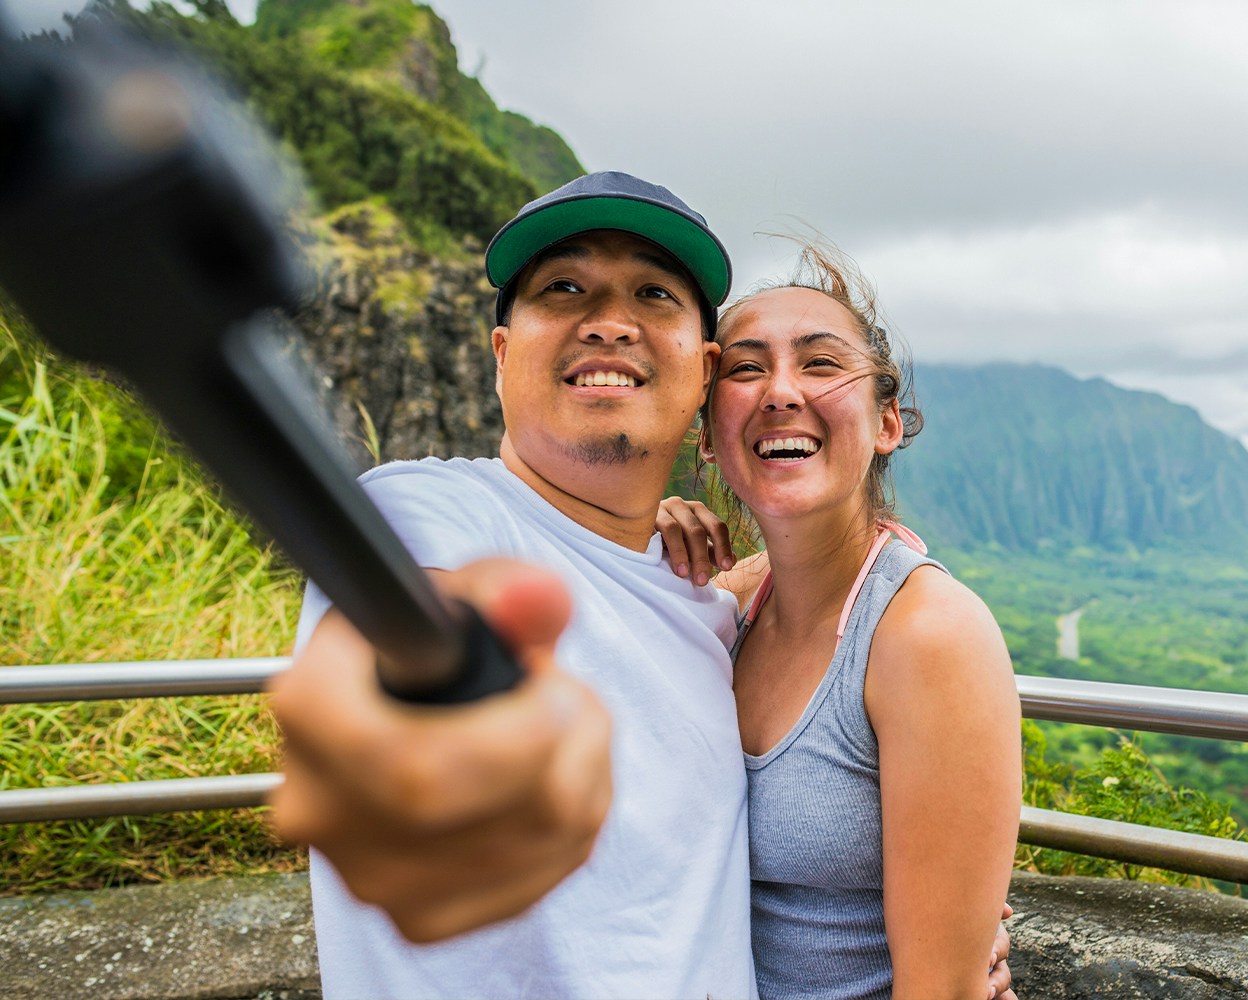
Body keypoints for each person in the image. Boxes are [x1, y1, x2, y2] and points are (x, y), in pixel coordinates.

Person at [269, 173, 1017, 999]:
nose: (611, 321)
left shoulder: (705, 604)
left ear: (698, 379)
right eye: (564, 288)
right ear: (503, 352)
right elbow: (402, 651)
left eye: (654, 294)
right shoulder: (420, 513)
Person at [657, 241, 1021, 998]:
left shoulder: (926, 635)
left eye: (820, 364)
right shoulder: (723, 607)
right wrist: (642, 537)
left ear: (887, 422)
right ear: (709, 436)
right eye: (746, 369)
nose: (780, 391)